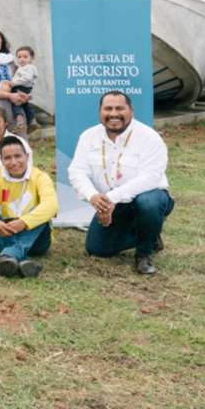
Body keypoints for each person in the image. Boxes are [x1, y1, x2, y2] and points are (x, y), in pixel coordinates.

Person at [69, 92, 172, 275]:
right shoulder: (88, 136)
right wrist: (93, 196)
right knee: (97, 249)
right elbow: (77, 171)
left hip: (149, 196)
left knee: (148, 203)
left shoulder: (149, 137)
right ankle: (149, 233)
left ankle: (144, 254)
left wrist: (109, 199)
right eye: (108, 108)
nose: (114, 114)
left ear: (131, 110)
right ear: (100, 112)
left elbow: (150, 177)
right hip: (114, 205)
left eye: (120, 108)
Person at [0, 135, 56, 278]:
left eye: (18, 156)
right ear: (1, 160)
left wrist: (23, 222)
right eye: (8, 158)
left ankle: (10, 254)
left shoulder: (40, 177)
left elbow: (51, 205)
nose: (14, 162)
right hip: (5, 231)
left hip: (36, 241)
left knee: (42, 212)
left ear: (27, 156)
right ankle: (22, 262)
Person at [9, 46, 39, 133]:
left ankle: (20, 120)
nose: (22, 59)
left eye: (25, 57)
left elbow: (27, 78)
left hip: (21, 87)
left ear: (31, 58)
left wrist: (14, 83)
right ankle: (32, 120)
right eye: (19, 57)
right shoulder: (24, 67)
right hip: (25, 88)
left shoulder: (28, 67)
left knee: (16, 103)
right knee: (25, 104)